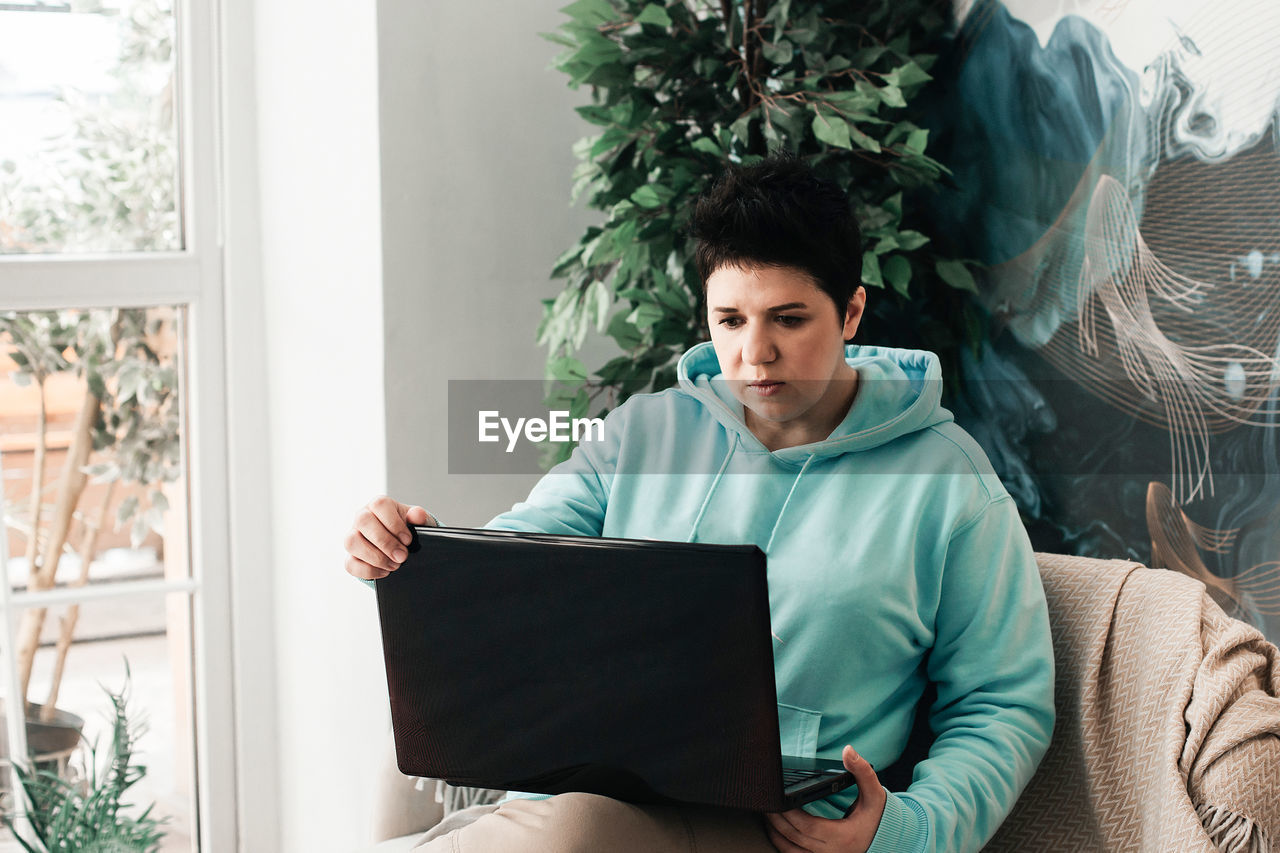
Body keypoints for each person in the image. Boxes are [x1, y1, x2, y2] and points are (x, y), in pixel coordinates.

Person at [344, 156, 1055, 853]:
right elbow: (518, 562)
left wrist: (908, 829)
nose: (755, 352)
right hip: (598, 777)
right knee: (420, 756)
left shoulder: (949, 482)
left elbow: (1003, 704)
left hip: (775, 830)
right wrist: (418, 550)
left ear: (851, 312)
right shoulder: (642, 432)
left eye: (788, 318)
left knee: (575, 832)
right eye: (731, 319)